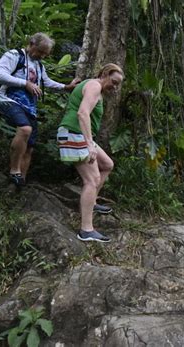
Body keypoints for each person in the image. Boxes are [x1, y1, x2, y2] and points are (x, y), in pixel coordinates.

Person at [0, 32, 79, 186]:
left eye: (45, 54)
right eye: (40, 52)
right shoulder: (14, 56)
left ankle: (20, 182)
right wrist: (25, 84)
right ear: (31, 44)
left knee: (30, 147)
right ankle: (14, 171)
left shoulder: (38, 65)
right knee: (24, 129)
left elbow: (47, 82)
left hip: (30, 107)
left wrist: (66, 87)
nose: (42, 56)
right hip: (9, 100)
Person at [57, 63, 124, 243]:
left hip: (78, 134)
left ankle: (91, 203)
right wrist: (89, 144)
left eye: (118, 85)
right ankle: (86, 230)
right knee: (92, 180)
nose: (115, 87)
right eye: (114, 81)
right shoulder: (94, 85)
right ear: (105, 74)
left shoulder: (95, 87)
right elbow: (82, 113)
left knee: (107, 165)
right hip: (74, 132)